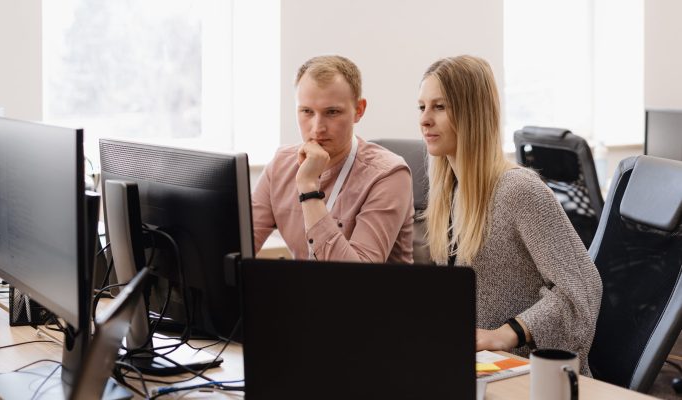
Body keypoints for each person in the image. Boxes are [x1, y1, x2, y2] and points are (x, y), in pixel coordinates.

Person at [417, 55, 602, 374]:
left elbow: (583, 289)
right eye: (422, 107)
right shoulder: (449, 191)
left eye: (440, 107)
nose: (425, 120)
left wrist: (505, 335)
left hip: (530, 374)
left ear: (472, 113)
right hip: (478, 369)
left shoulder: (518, 190)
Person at [252, 55, 414, 263]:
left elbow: (355, 281)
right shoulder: (280, 165)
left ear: (359, 110)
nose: (317, 127)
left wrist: (309, 188)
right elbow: (236, 245)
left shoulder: (390, 175)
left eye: (332, 112)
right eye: (307, 111)